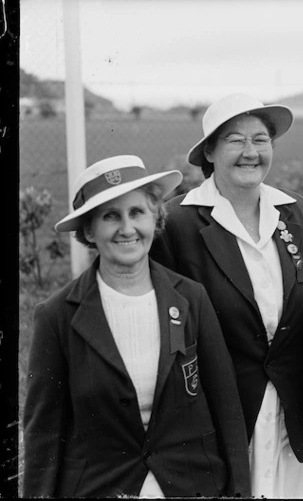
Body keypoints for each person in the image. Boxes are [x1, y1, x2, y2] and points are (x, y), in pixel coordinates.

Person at [22, 155, 251, 498]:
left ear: (156, 218)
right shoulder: (57, 316)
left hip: (192, 486)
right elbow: (43, 433)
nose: (127, 229)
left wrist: (239, 492)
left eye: (137, 213)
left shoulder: (191, 299)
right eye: (111, 216)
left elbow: (227, 410)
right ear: (88, 230)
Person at [150, 93, 303, 498]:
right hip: (218, 415)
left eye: (260, 140)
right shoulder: (176, 223)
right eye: (235, 140)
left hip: (289, 413)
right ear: (209, 151)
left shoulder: (299, 213)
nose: (251, 152)